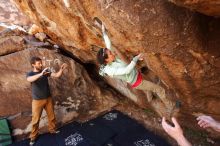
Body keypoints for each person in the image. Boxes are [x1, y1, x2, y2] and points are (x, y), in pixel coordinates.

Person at [97, 23, 174, 111]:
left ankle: (150, 98)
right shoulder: (111, 71)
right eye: (110, 53)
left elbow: (108, 44)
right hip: (137, 81)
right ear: (106, 60)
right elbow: (126, 71)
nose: (112, 53)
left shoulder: (109, 59)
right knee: (159, 89)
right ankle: (171, 107)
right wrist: (135, 59)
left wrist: (104, 32)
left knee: (148, 85)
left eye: (110, 52)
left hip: (136, 74)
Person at [26, 56, 67, 146]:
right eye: (38, 63)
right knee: (35, 120)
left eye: (41, 63)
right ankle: (33, 137)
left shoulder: (45, 72)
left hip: (48, 98)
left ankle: (52, 130)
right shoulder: (30, 73)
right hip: (37, 101)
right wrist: (41, 74)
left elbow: (56, 75)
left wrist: (61, 69)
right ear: (33, 65)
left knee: (51, 116)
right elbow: (29, 79)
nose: (41, 65)